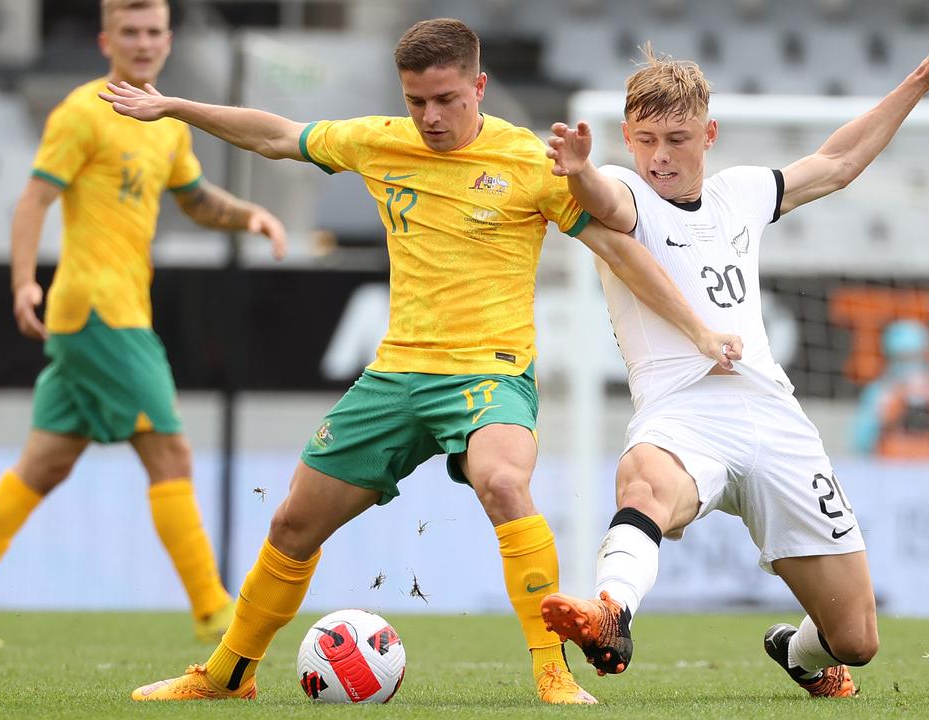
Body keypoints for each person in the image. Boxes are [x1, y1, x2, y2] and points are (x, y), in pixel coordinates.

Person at [103, 17, 741, 705]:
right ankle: (229, 675)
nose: (430, 117)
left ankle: (552, 674)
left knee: (503, 483)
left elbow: (620, 250)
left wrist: (701, 332)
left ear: (479, 86)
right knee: (292, 521)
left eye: (446, 99)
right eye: (417, 101)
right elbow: (275, 135)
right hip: (396, 376)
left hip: (488, 375)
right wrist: (173, 105)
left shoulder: (530, 161)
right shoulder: (379, 143)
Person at [535, 2, 929, 699]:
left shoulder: (740, 193)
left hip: (774, 419)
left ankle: (797, 651)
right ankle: (610, 612)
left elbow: (837, 162)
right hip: (683, 416)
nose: (659, 156)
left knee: (856, 638)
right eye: (645, 138)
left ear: (708, 133)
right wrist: (579, 171)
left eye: (677, 138)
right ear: (627, 136)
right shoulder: (623, 191)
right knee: (644, 482)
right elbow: (602, 194)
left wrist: (924, 76)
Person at [0, 0, 285, 648]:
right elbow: (34, 197)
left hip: (108, 313)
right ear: (106, 40)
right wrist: (22, 281)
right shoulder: (82, 111)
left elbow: (197, 199)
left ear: (170, 41)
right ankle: (214, 613)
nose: (143, 43)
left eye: (153, 32)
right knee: (170, 452)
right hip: (99, 310)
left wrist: (250, 216)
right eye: (131, 33)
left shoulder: (169, 123)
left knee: (45, 464)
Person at [851, 319, 929, 460]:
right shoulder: (878, 392)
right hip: (889, 467)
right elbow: (860, 443)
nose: (910, 364)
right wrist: (885, 416)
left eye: (916, 356)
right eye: (902, 358)